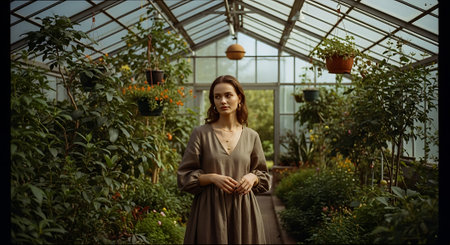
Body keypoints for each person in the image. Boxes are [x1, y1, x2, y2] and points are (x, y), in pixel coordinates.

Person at [177, 75, 271, 244]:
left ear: (239, 98)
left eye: (228, 95)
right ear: (212, 101)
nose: (222, 101)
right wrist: (212, 178)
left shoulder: (252, 136)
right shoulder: (200, 134)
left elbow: (264, 176)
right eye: (217, 96)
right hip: (209, 212)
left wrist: (253, 177)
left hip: (244, 211)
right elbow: (184, 177)